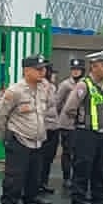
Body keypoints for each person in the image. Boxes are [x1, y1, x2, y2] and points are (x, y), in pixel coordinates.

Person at [0, 54, 52, 204]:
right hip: (19, 140)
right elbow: (1, 117)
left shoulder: (44, 88)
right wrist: (4, 139)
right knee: (14, 181)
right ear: (27, 71)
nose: (43, 72)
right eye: (39, 69)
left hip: (37, 142)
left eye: (44, 68)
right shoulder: (15, 91)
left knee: (34, 180)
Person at [59, 49, 103, 204]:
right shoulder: (83, 85)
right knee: (82, 171)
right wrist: (80, 122)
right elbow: (70, 108)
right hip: (86, 134)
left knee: (100, 170)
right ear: (94, 67)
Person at [55, 57, 85, 188]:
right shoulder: (65, 85)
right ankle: (67, 177)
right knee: (68, 151)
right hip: (67, 123)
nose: (75, 72)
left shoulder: (86, 84)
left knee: (80, 152)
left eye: (78, 69)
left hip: (82, 123)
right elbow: (57, 102)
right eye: (73, 69)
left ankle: (77, 177)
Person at [37, 64, 60, 192]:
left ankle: (44, 182)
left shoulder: (52, 87)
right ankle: (37, 183)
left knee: (49, 157)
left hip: (53, 126)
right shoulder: (41, 87)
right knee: (41, 157)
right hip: (44, 126)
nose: (54, 76)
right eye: (53, 73)